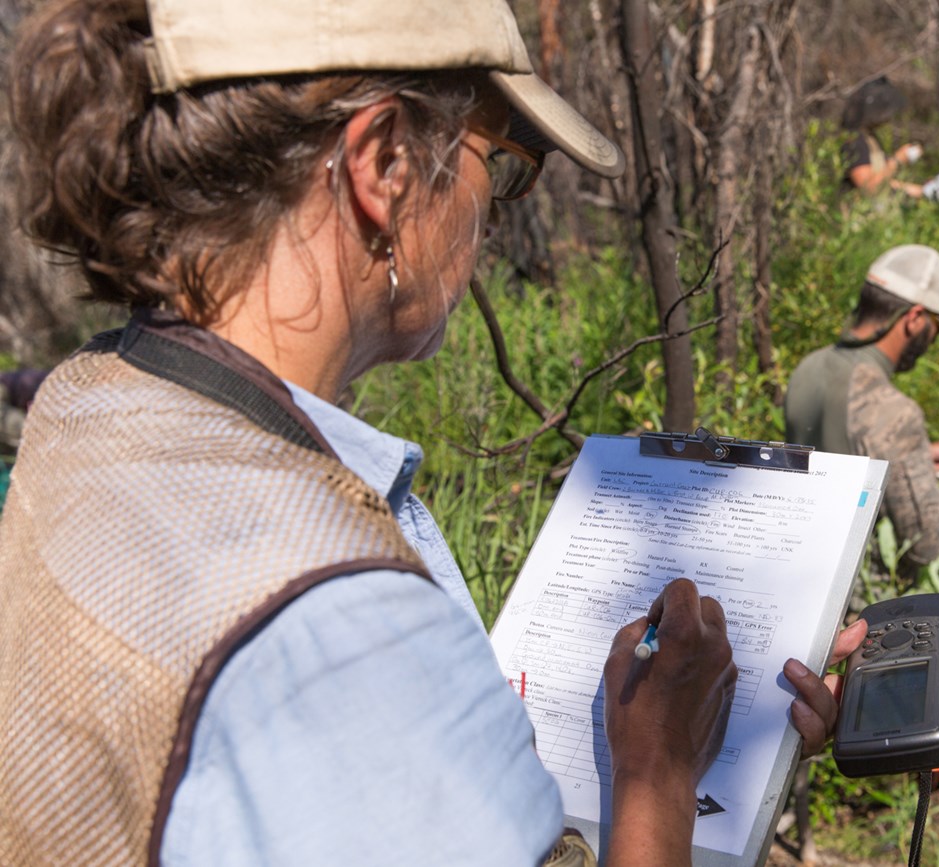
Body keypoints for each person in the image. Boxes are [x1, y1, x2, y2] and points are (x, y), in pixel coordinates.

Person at [0, 0, 861, 865]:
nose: (495, 212)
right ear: (387, 167)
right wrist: (660, 772)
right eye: (504, 165)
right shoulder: (336, 620)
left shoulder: (91, 396)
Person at [784, 245, 939, 580]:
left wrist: (918, 457)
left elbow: (839, 462)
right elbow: (926, 542)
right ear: (915, 318)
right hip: (859, 600)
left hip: (802, 569)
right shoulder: (893, 411)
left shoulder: (809, 367)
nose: (935, 341)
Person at [840, 77, 926, 198]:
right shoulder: (854, 141)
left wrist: (923, 191)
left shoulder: (870, 138)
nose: (887, 116)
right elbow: (869, 188)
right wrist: (897, 160)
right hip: (860, 214)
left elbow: (884, 180)